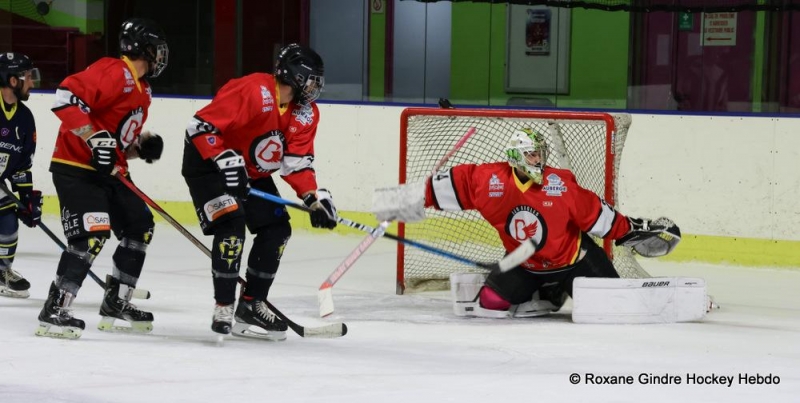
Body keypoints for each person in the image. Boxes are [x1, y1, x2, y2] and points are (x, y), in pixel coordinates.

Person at [373, 127, 680, 318]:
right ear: (515, 157)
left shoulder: (560, 185)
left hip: (575, 259)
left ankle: (558, 287)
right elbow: (443, 190)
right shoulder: (490, 182)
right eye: (532, 155)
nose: (538, 161)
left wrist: (629, 231)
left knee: (611, 307)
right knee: (490, 303)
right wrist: (394, 203)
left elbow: (596, 214)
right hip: (526, 265)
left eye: (540, 154)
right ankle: (547, 292)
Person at [182, 43, 337, 341]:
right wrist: (224, 159)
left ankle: (252, 304)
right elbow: (199, 127)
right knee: (231, 224)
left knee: (277, 229)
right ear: (293, 75)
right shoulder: (253, 90)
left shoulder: (305, 114)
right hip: (209, 166)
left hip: (250, 173)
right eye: (311, 79)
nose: (315, 87)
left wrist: (313, 198)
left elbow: (296, 164)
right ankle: (224, 305)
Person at [36, 18, 169, 340]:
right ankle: (56, 308)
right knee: (91, 235)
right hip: (76, 168)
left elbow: (116, 145)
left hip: (110, 175)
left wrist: (140, 148)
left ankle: (117, 302)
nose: (161, 56)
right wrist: (95, 140)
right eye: (157, 50)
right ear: (144, 49)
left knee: (140, 226)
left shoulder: (143, 90)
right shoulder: (114, 71)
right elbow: (66, 99)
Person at [0, 52, 42, 299]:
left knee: (8, 220)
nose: (33, 82)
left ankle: (2, 271)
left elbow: (21, 165)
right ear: (13, 80)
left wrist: (26, 198)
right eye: (28, 76)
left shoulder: (25, 118)